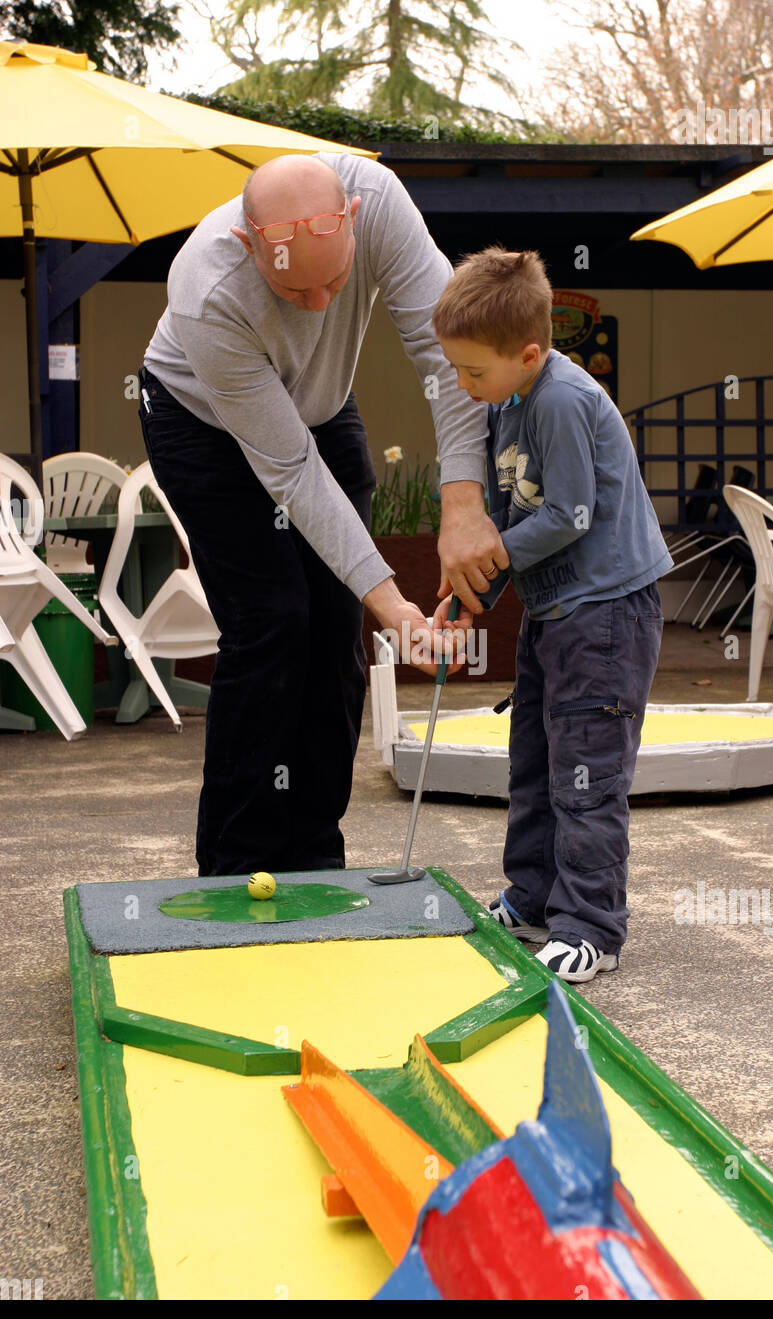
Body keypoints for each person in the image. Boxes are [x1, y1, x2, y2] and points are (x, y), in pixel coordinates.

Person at [138, 153, 508, 876]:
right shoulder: (206, 288)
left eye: (334, 283)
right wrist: (396, 604)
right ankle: (236, 865)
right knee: (273, 621)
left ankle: (314, 854)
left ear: (354, 223)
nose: (315, 306)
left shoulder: (382, 204)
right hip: (201, 421)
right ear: (250, 245)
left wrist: (462, 501)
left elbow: (447, 358)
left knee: (336, 628)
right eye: (292, 288)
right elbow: (291, 471)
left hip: (322, 405)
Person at [432, 248, 673, 983]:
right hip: (555, 613)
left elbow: (568, 514)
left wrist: (494, 555)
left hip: (604, 614)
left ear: (528, 352)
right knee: (534, 763)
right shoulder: (509, 404)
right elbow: (506, 518)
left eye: (474, 372)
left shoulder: (562, 399)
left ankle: (592, 924)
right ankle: (534, 896)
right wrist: (471, 591)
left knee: (585, 775)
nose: (465, 386)